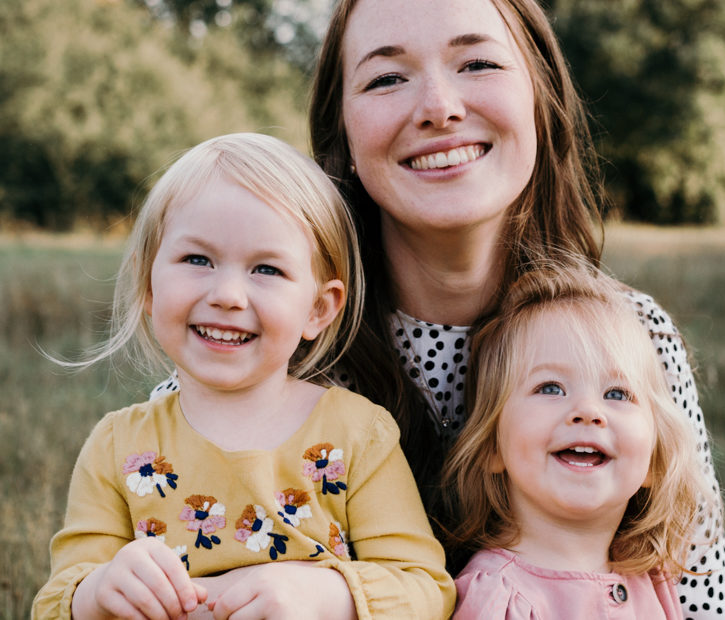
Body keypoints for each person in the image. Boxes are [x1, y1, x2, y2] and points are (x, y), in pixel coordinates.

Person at [158, 0, 725, 616]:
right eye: (387, 77)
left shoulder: (630, 338)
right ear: (343, 131)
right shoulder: (270, 331)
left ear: (540, 98)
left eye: (478, 63)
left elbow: (706, 600)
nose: (440, 107)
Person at [32, 133, 455, 620]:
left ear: (317, 309)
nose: (228, 294)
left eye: (267, 269)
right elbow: (54, 601)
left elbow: (427, 590)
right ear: (148, 282)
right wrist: (100, 590)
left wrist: (327, 595)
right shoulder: (116, 447)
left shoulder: (357, 435)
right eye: (198, 260)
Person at [443, 261, 710, 618]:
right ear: (493, 445)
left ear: (654, 460)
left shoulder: (651, 581)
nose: (587, 410)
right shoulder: (497, 599)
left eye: (617, 394)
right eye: (550, 388)